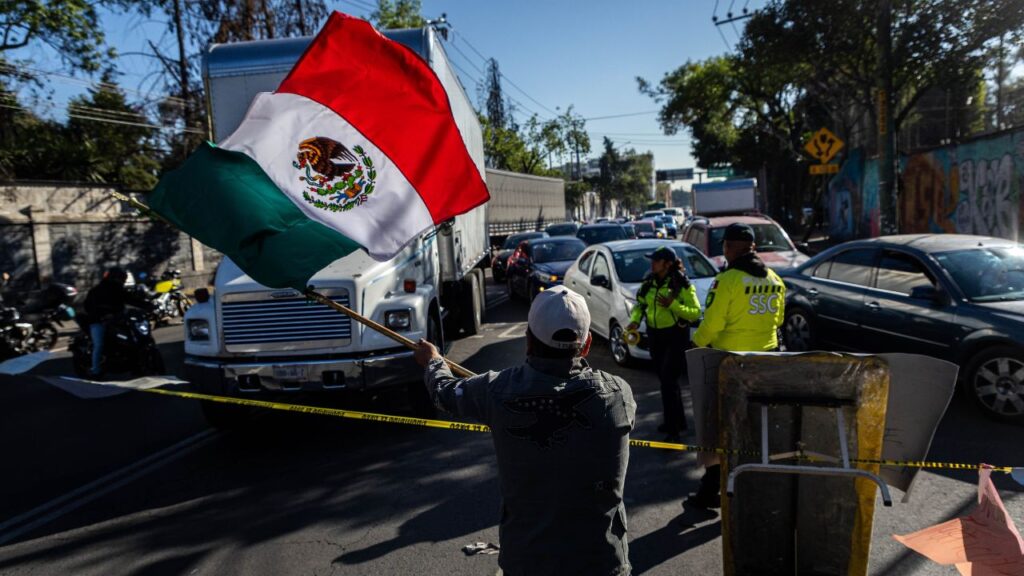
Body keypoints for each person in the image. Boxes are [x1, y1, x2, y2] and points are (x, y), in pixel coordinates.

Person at [414, 285, 636, 576]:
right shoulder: (619, 393)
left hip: (529, 561)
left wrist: (433, 362)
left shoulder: (498, 390)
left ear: (528, 340)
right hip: (601, 561)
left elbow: (445, 393)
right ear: (587, 343)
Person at [685, 222, 786, 510]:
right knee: (756, 428)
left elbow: (712, 324)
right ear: (753, 247)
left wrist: (695, 346)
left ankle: (710, 490)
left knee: (717, 428)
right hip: (766, 364)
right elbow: (777, 322)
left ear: (728, 248)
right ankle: (753, 485)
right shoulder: (775, 280)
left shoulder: (726, 280)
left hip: (730, 365)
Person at [625, 246, 700, 442]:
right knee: (667, 381)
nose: (652, 263)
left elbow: (694, 312)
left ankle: (673, 429)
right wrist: (635, 319)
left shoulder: (681, 283)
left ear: (667, 264)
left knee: (668, 380)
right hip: (655, 336)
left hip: (675, 337)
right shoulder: (649, 282)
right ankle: (678, 421)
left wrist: (673, 304)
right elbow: (640, 304)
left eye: (656, 260)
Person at [83, 267, 130, 377]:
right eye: (120, 278)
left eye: (123, 279)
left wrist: (148, 305)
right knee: (99, 344)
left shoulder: (119, 290)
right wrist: (102, 314)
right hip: (98, 321)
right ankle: (95, 369)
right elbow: (89, 306)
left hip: (117, 320)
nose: (122, 281)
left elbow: (131, 299)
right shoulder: (97, 291)